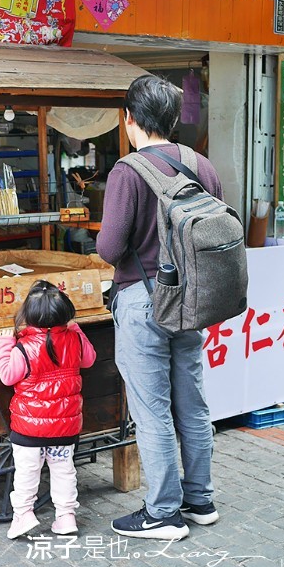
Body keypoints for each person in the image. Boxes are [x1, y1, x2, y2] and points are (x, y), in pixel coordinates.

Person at [96, 74, 223, 540]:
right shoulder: (202, 167)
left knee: (151, 411)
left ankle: (163, 512)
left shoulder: (127, 172)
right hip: (192, 302)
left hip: (143, 301)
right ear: (172, 119)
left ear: (130, 119)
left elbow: (110, 249)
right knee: (191, 403)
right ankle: (199, 499)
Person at [0, 280, 97, 539]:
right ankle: (65, 517)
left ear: (27, 316)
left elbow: (7, 376)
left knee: (27, 472)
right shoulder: (74, 339)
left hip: (29, 431)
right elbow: (90, 359)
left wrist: (4, 345)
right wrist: (78, 331)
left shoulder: (23, 347)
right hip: (64, 429)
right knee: (64, 470)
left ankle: (24, 514)